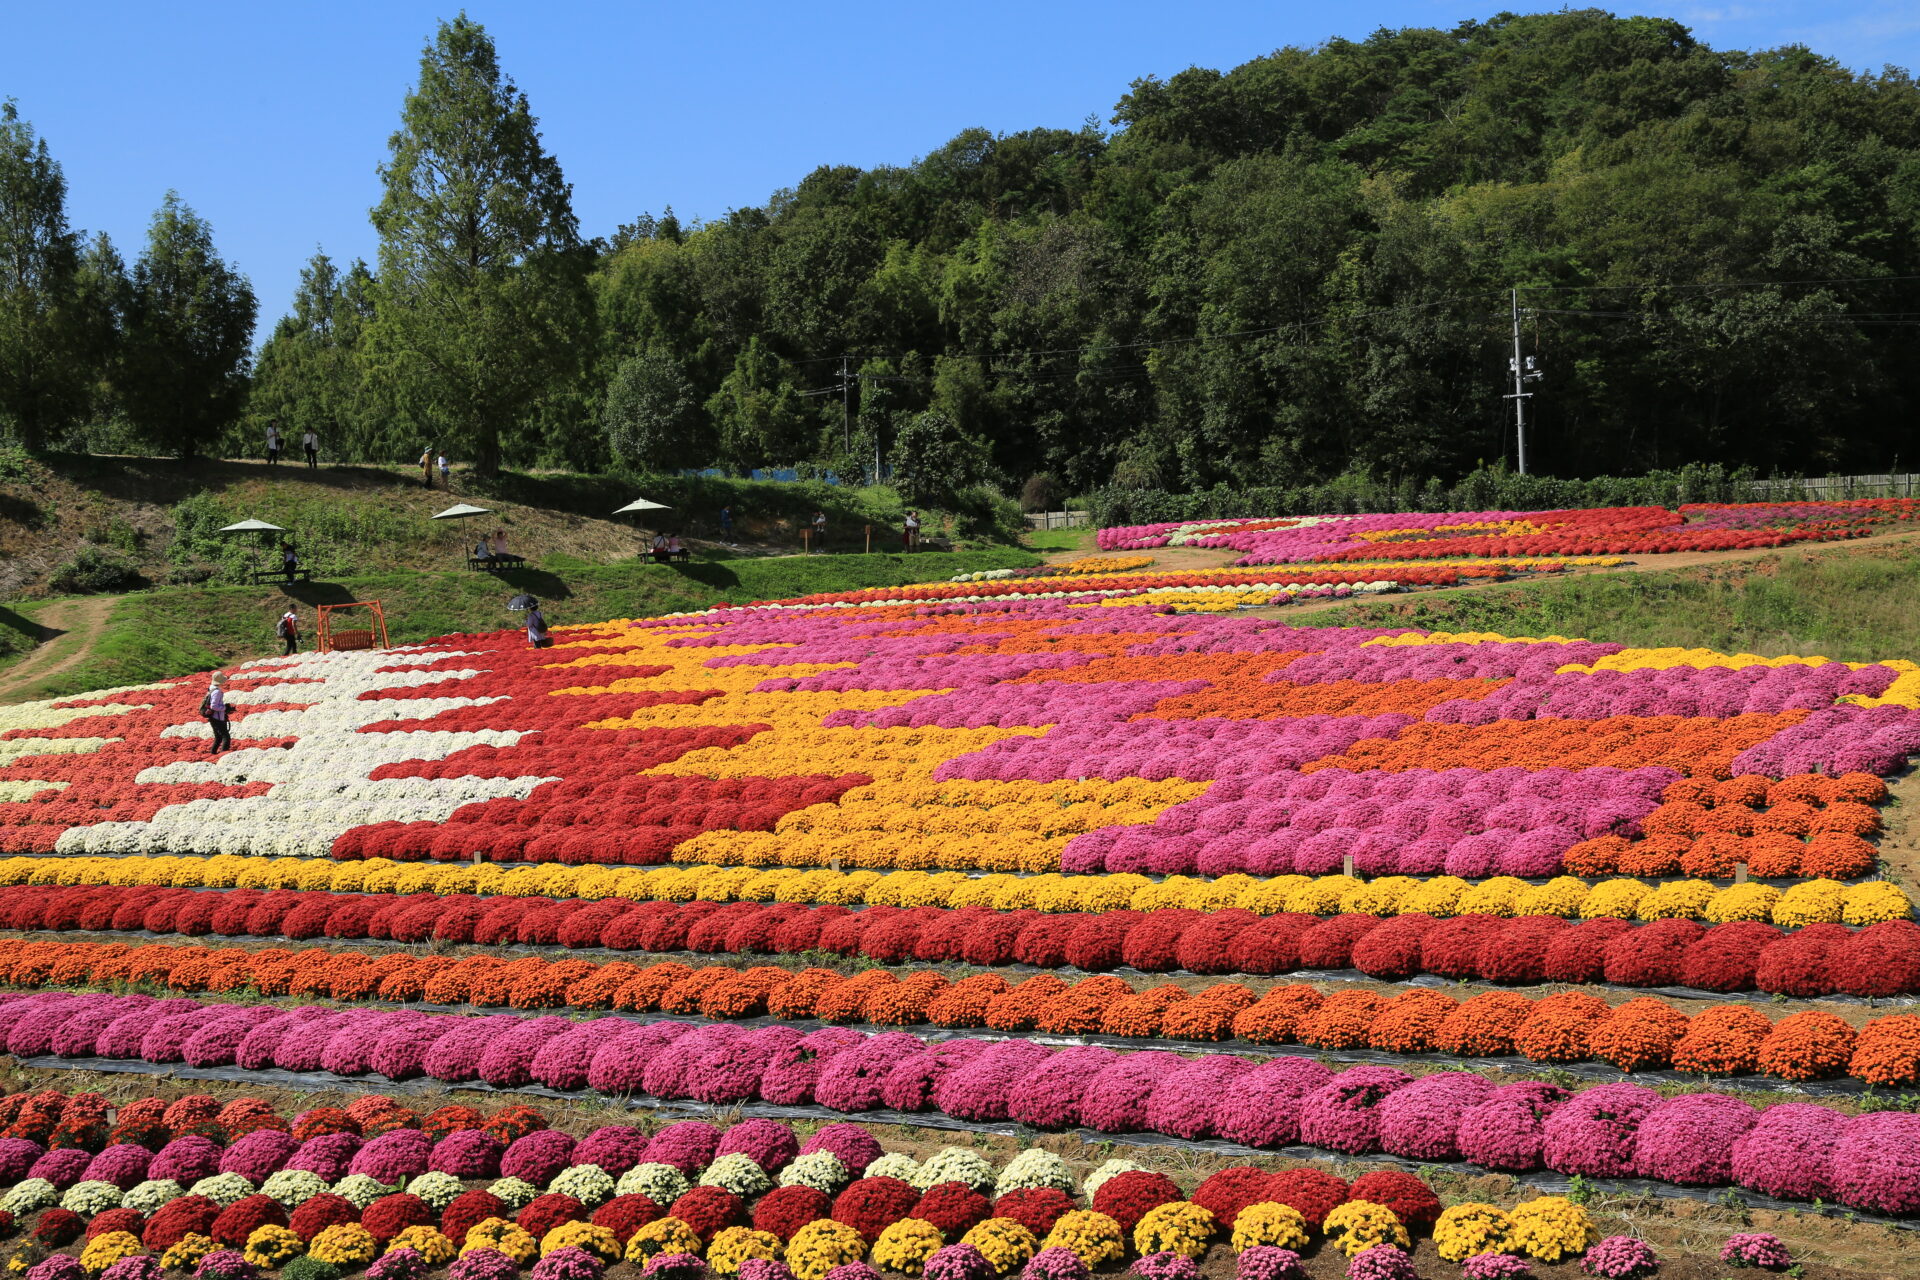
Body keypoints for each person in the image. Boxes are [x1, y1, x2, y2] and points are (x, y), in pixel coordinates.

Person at [200, 673, 231, 754]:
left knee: (218, 737)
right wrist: (225, 708)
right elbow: (214, 706)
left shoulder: (211, 688)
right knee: (226, 737)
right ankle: (223, 755)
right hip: (217, 717)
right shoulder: (217, 692)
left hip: (213, 717)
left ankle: (213, 753)